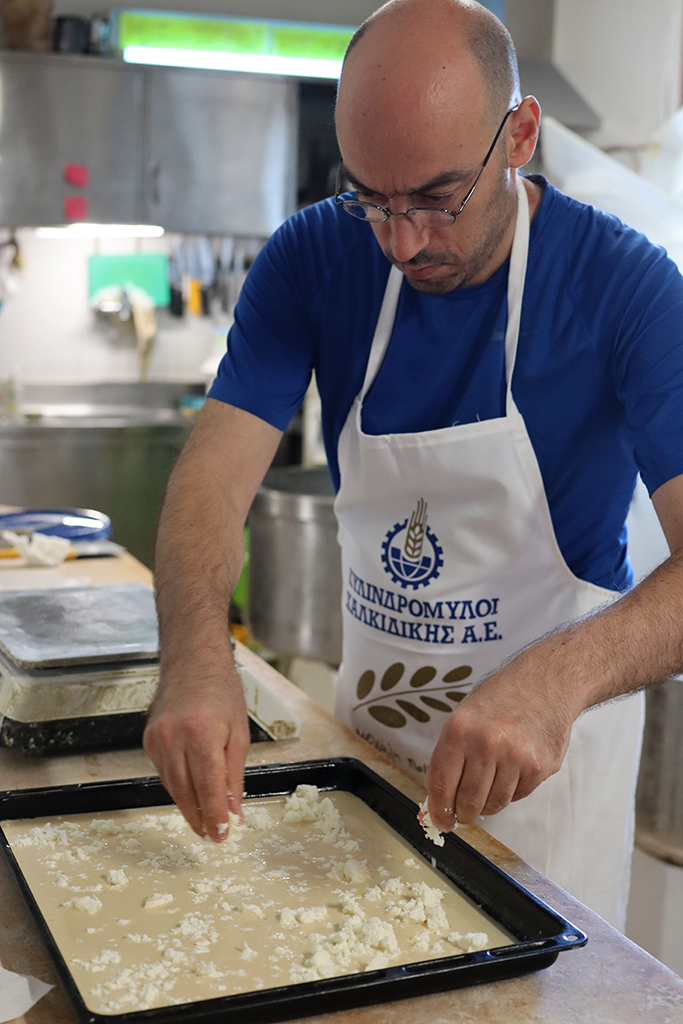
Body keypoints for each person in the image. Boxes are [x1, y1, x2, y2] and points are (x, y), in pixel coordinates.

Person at [143, 0, 683, 931]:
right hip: (373, 771)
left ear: (519, 136)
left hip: (543, 798)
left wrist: (554, 681)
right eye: (370, 198)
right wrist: (194, 657)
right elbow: (212, 480)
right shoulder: (314, 258)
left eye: (437, 198)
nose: (401, 241)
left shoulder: (626, 291)